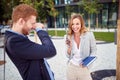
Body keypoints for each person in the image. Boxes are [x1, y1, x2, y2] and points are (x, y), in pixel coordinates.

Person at [5, 4, 56, 80]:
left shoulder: (17, 37)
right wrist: (40, 30)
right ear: (21, 21)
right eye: (32, 23)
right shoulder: (14, 41)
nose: (33, 26)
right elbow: (51, 50)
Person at [65, 13, 97, 80]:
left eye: (77, 24)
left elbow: (94, 50)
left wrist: (87, 63)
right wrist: (70, 47)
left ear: (81, 24)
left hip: (84, 68)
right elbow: (68, 56)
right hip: (71, 68)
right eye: (73, 24)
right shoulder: (68, 36)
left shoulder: (89, 35)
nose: (75, 26)